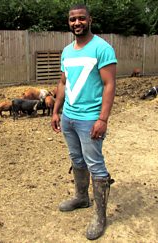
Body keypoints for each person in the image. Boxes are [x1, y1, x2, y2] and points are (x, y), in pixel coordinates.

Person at [50, 3, 117, 240]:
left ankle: (100, 216)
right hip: (69, 116)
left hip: (90, 119)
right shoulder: (67, 51)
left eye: (81, 18)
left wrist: (103, 118)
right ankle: (81, 197)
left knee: (95, 165)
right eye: (72, 20)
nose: (76, 23)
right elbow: (62, 83)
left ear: (90, 20)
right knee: (76, 159)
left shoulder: (102, 48)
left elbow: (110, 85)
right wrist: (56, 111)